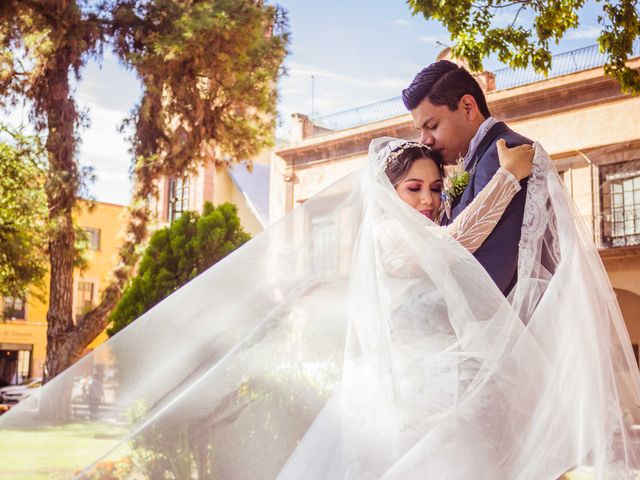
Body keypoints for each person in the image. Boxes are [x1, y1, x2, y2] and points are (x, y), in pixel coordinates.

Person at [1, 138, 638, 480]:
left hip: (439, 392)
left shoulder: (415, 233)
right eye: (412, 188)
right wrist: (508, 178)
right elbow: (458, 242)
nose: (425, 198)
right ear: (388, 194)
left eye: (435, 189)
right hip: (409, 406)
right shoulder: (392, 237)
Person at [402, 60, 532, 295]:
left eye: (432, 125)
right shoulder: (479, 157)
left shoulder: (504, 154)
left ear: (468, 107)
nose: (424, 140)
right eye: (420, 130)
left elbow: (489, 272)